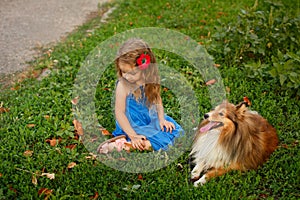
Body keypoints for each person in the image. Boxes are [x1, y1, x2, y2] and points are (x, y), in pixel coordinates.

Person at [98, 38, 184, 153]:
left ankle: (130, 145)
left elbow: (157, 100)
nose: (127, 77)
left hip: (148, 118)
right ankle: (122, 144)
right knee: (156, 139)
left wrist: (162, 119)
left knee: (176, 132)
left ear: (145, 68)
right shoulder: (123, 85)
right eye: (123, 71)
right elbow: (119, 113)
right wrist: (133, 135)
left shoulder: (149, 80)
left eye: (132, 73)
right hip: (130, 123)